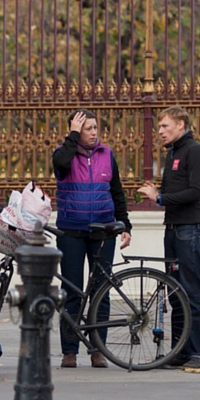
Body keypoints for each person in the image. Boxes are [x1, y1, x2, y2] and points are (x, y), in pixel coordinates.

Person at [53, 109, 132, 368]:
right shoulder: (63, 153)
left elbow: (117, 191)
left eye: (95, 127)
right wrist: (72, 137)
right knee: (72, 291)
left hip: (103, 232)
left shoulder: (107, 154)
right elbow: (61, 166)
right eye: (88, 128)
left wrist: (125, 224)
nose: (94, 132)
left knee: (101, 291)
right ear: (75, 130)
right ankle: (70, 351)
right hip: (71, 231)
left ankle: (98, 349)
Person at [137, 106, 200, 370]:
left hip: (189, 229)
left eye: (165, 126)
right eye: (159, 127)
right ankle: (180, 350)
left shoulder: (194, 151)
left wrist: (159, 197)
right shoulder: (173, 153)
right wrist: (160, 193)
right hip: (172, 228)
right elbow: (174, 192)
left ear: (181, 124)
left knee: (192, 290)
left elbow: (195, 192)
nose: (160, 131)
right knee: (175, 292)